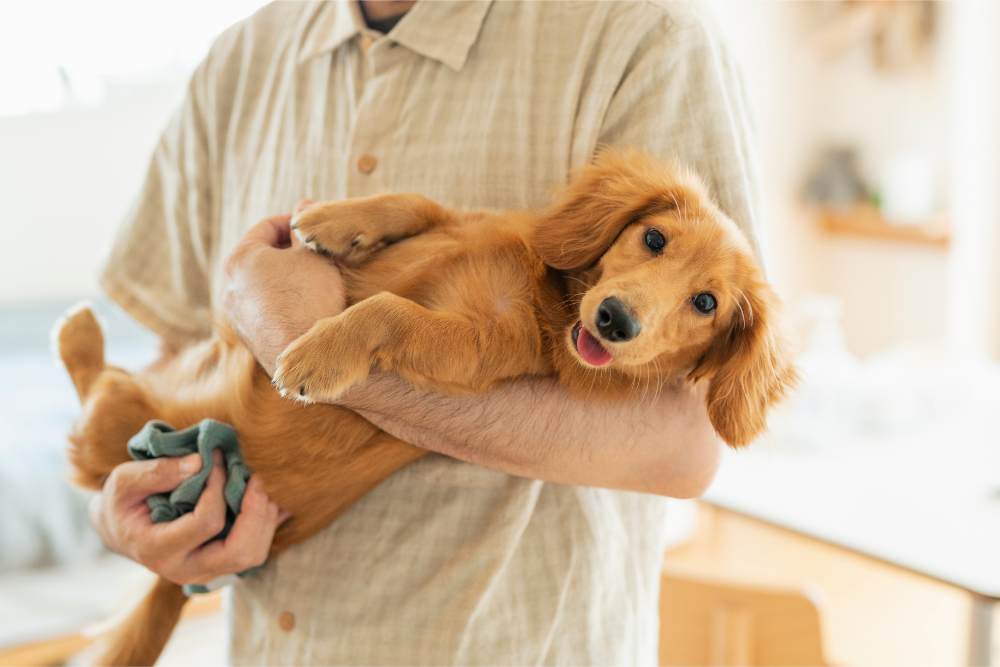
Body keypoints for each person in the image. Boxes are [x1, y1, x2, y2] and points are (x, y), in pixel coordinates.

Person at [88, 0, 762, 663]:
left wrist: (312, 339)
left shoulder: (647, 38)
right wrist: (119, 513)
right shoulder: (239, 61)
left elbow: (688, 448)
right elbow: (175, 352)